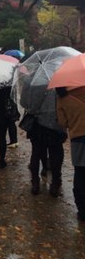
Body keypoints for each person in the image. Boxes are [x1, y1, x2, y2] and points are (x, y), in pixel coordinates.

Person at [56, 86, 85, 221]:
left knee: (79, 172)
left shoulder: (62, 99)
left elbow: (63, 123)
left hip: (77, 139)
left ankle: (82, 210)